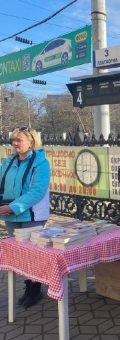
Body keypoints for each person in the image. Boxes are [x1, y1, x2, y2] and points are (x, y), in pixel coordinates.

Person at [0, 127, 50, 308]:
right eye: (13, 140)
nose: (14, 143)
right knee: (21, 254)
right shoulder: (9, 161)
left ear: (31, 141)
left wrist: (11, 207)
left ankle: (35, 289)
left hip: (32, 215)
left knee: (34, 253)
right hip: (11, 215)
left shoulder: (41, 162)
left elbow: (37, 191)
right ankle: (28, 285)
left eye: (18, 140)